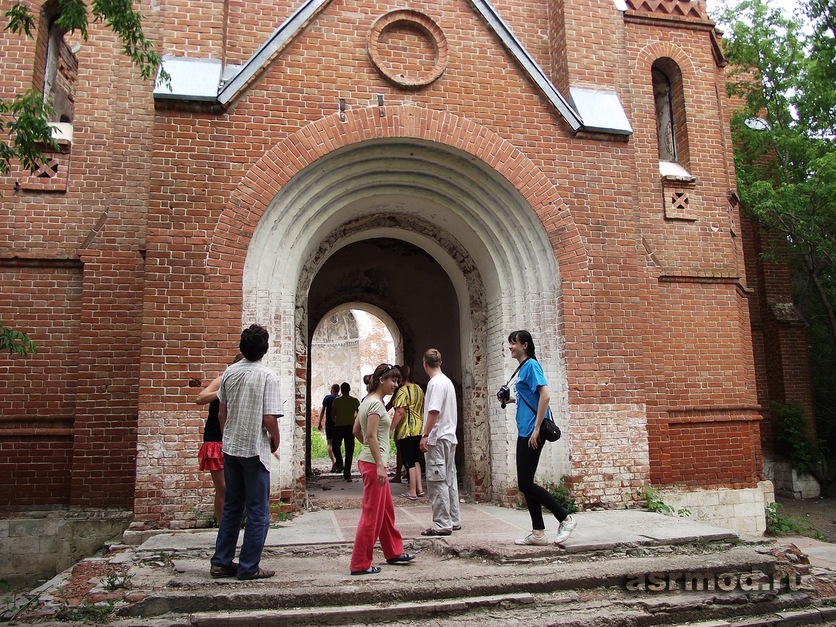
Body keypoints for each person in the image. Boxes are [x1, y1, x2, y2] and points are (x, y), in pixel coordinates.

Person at [209, 324, 283, 580]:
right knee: (258, 510)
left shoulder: (229, 373)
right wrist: (276, 439)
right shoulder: (267, 376)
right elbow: (269, 418)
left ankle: (220, 561)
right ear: (265, 349)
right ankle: (249, 566)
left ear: (242, 347)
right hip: (254, 449)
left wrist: (227, 436)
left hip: (231, 448)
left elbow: (221, 413)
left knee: (232, 506)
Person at [500, 329, 576, 546]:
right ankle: (538, 533)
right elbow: (529, 397)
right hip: (525, 429)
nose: (511, 347)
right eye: (510, 343)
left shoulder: (532, 365)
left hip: (533, 432)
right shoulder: (522, 368)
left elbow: (545, 395)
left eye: (514, 343)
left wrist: (536, 429)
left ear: (525, 345)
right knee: (526, 482)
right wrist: (509, 399)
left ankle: (566, 518)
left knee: (525, 483)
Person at [349, 363, 415, 575]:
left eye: (397, 381)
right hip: (374, 465)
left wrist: (370, 450)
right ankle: (359, 564)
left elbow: (355, 430)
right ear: (381, 380)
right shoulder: (376, 405)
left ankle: (393, 551)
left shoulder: (366, 402)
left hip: (371, 462)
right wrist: (377, 462)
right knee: (371, 515)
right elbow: (369, 435)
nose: (395, 385)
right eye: (392, 381)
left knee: (386, 511)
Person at [195, 353, 244, 526]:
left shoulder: (245, 384)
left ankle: (232, 526)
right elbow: (200, 398)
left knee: (236, 488)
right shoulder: (222, 379)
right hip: (216, 439)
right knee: (223, 488)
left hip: (235, 439)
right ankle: (222, 528)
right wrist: (221, 391)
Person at [419, 348, 461, 536]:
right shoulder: (448, 382)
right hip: (450, 436)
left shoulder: (435, 383)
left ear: (425, 364)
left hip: (438, 436)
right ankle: (453, 518)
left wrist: (425, 434)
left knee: (437, 480)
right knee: (449, 478)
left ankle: (442, 523)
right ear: (440, 362)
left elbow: (433, 411)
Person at [392, 364, 425, 500]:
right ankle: (419, 488)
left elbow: (400, 412)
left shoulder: (402, 391)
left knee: (409, 461)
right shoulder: (418, 389)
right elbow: (423, 406)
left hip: (407, 429)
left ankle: (411, 491)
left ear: (401, 378)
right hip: (419, 427)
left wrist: (391, 428)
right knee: (416, 459)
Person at [332, 381, 360, 481]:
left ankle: (339, 462)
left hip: (339, 426)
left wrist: (336, 420)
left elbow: (332, 414)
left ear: (341, 390)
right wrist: (354, 419)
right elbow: (359, 413)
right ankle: (347, 473)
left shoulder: (336, 401)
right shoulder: (355, 401)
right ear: (349, 390)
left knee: (335, 446)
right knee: (349, 450)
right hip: (350, 427)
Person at [318, 383, 341, 473]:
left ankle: (333, 461)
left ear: (332, 389)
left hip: (329, 423)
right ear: (338, 390)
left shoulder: (327, 398)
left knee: (329, 443)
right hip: (339, 423)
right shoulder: (340, 399)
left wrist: (319, 422)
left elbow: (323, 410)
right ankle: (339, 462)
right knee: (337, 444)